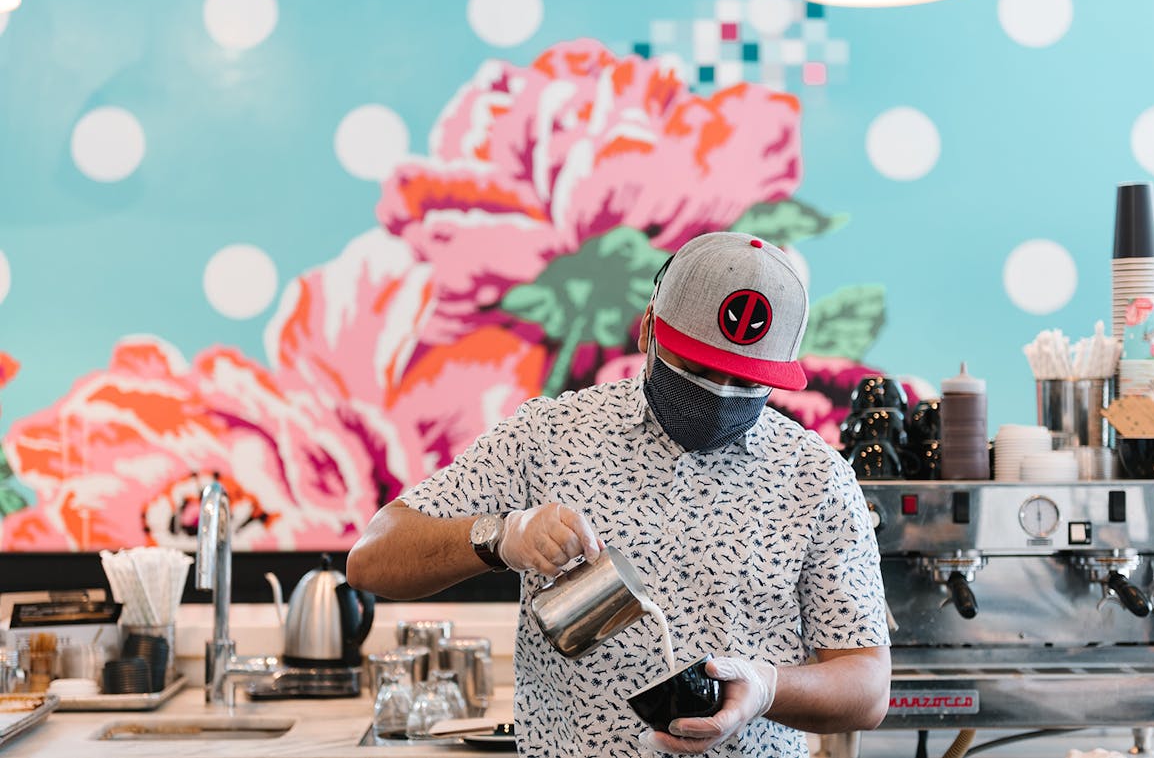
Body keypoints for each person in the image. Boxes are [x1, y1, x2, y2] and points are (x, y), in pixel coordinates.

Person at [347, 231, 892, 757]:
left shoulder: (816, 477)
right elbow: (371, 559)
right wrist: (499, 537)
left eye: (745, 381)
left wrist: (767, 688)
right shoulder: (549, 437)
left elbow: (867, 687)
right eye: (695, 370)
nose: (719, 395)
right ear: (649, 330)